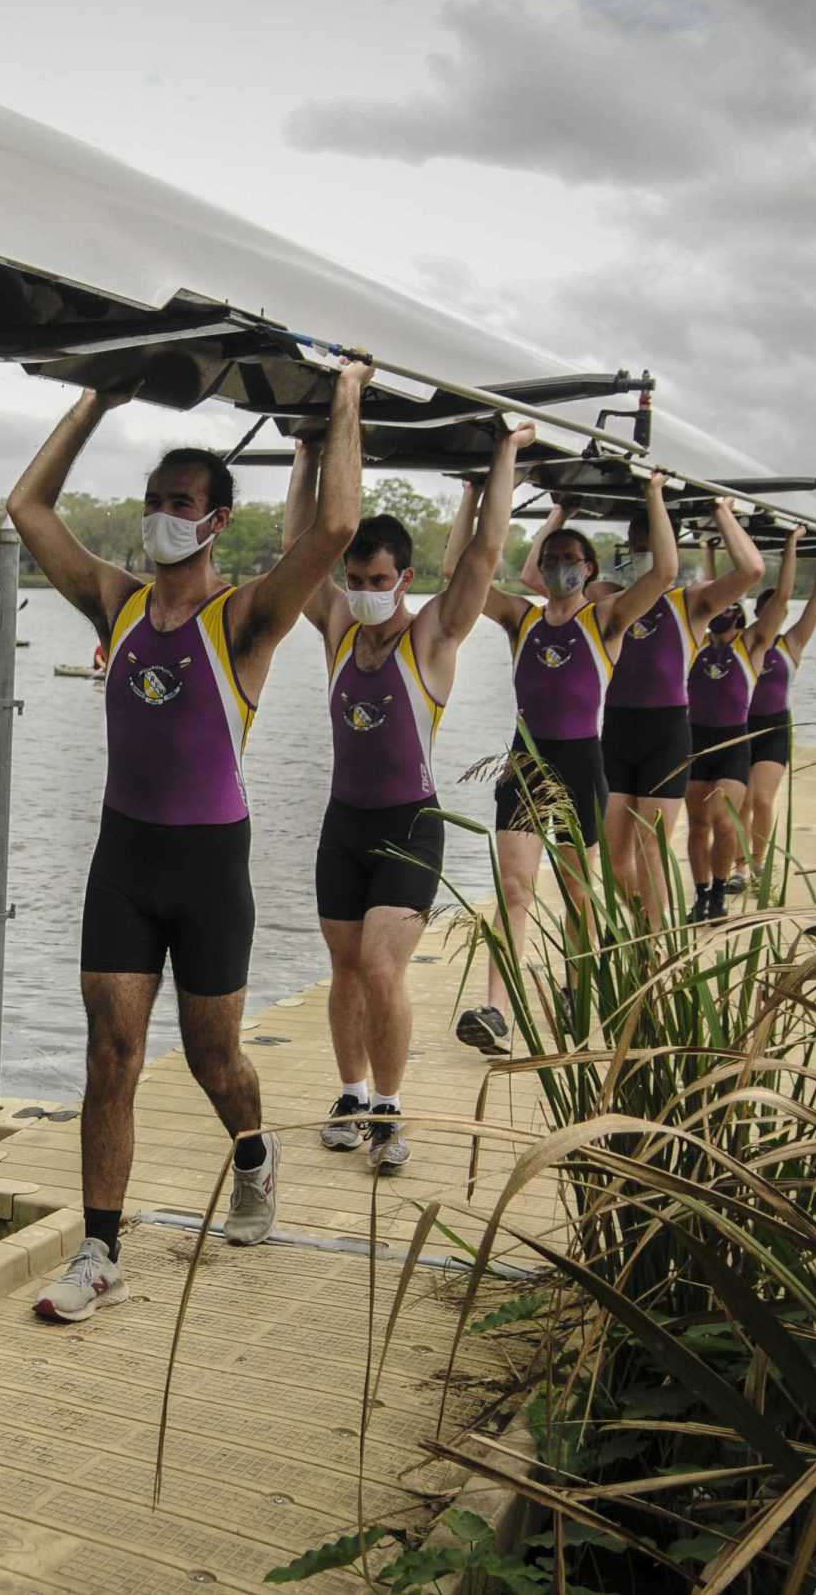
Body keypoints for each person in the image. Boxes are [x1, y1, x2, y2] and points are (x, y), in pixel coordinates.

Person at [8, 362, 367, 1321]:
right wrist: (96, 400)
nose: (164, 515)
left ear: (214, 522)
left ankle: (253, 1151)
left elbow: (334, 531)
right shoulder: (116, 602)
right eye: (155, 500)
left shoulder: (244, 617)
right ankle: (101, 1251)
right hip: (123, 862)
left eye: (183, 503)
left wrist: (344, 402)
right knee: (111, 1053)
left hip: (211, 868)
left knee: (214, 1058)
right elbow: (27, 505)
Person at [297, 421, 519, 1169]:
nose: (361, 594)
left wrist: (502, 459)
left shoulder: (432, 638)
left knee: (384, 967)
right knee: (348, 969)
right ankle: (352, 1094)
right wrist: (306, 454)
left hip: (410, 825)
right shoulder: (332, 626)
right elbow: (303, 548)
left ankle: (391, 1109)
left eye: (376, 582)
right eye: (354, 582)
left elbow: (484, 557)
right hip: (342, 826)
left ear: (405, 580)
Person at [456, 475, 681, 1054]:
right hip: (526, 761)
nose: (558, 567)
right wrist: (471, 496)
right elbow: (466, 569)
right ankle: (496, 1010)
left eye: (570, 560)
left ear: (589, 568)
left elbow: (662, 576)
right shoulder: (521, 620)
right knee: (514, 887)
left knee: (580, 893)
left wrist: (654, 492)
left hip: (582, 762)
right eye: (551, 558)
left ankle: (579, 988)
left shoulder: (605, 620)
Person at [523, 497, 761, 925]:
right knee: (615, 859)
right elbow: (532, 577)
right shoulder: (603, 599)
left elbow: (751, 572)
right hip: (614, 731)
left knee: (651, 847)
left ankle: (653, 947)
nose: (641, 555)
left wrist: (721, 511)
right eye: (635, 546)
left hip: (665, 733)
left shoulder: (691, 603)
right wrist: (562, 514)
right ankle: (635, 930)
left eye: (650, 546)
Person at [744, 530, 816, 884]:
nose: (774, 618)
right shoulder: (744, 641)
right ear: (757, 613)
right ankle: (735, 866)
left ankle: (757, 862)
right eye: (767, 612)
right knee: (741, 803)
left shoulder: (792, 642)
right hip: (739, 726)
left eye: (779, 613)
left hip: (775, 728)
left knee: (762, 799)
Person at [683, 540, 760, 922]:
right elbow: (713, 590)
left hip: (733, 743)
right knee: (697, 822)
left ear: (740, 622)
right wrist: (709, 552)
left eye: (729, 616)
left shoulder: (750, 648)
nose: (720, 621)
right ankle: (703, 895)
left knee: (722, 819)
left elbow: (775, 605)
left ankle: (721, 885)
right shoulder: (695, 642)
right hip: (696, 739)